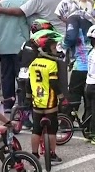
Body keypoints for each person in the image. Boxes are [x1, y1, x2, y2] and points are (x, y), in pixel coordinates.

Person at [27, 30, 67, 163]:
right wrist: (61, 97)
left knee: (36, 129)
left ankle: (34, 154)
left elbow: (28, 83)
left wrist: (28, 97)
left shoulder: (33, 63)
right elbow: (53, 82)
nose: (56, 49)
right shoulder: (51, 64)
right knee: (52, 129)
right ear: (47, 48)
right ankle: (52, 154)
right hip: (49, 101)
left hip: (36, 101)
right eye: (54, 47)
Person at [0, 0, 29, 111]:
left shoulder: (0, 3)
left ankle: (8, 103)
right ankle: (22, 103)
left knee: (6, 75)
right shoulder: (26, 2)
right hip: (20, 44)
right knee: (22, 75)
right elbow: (31, 22)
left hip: (4, 44)